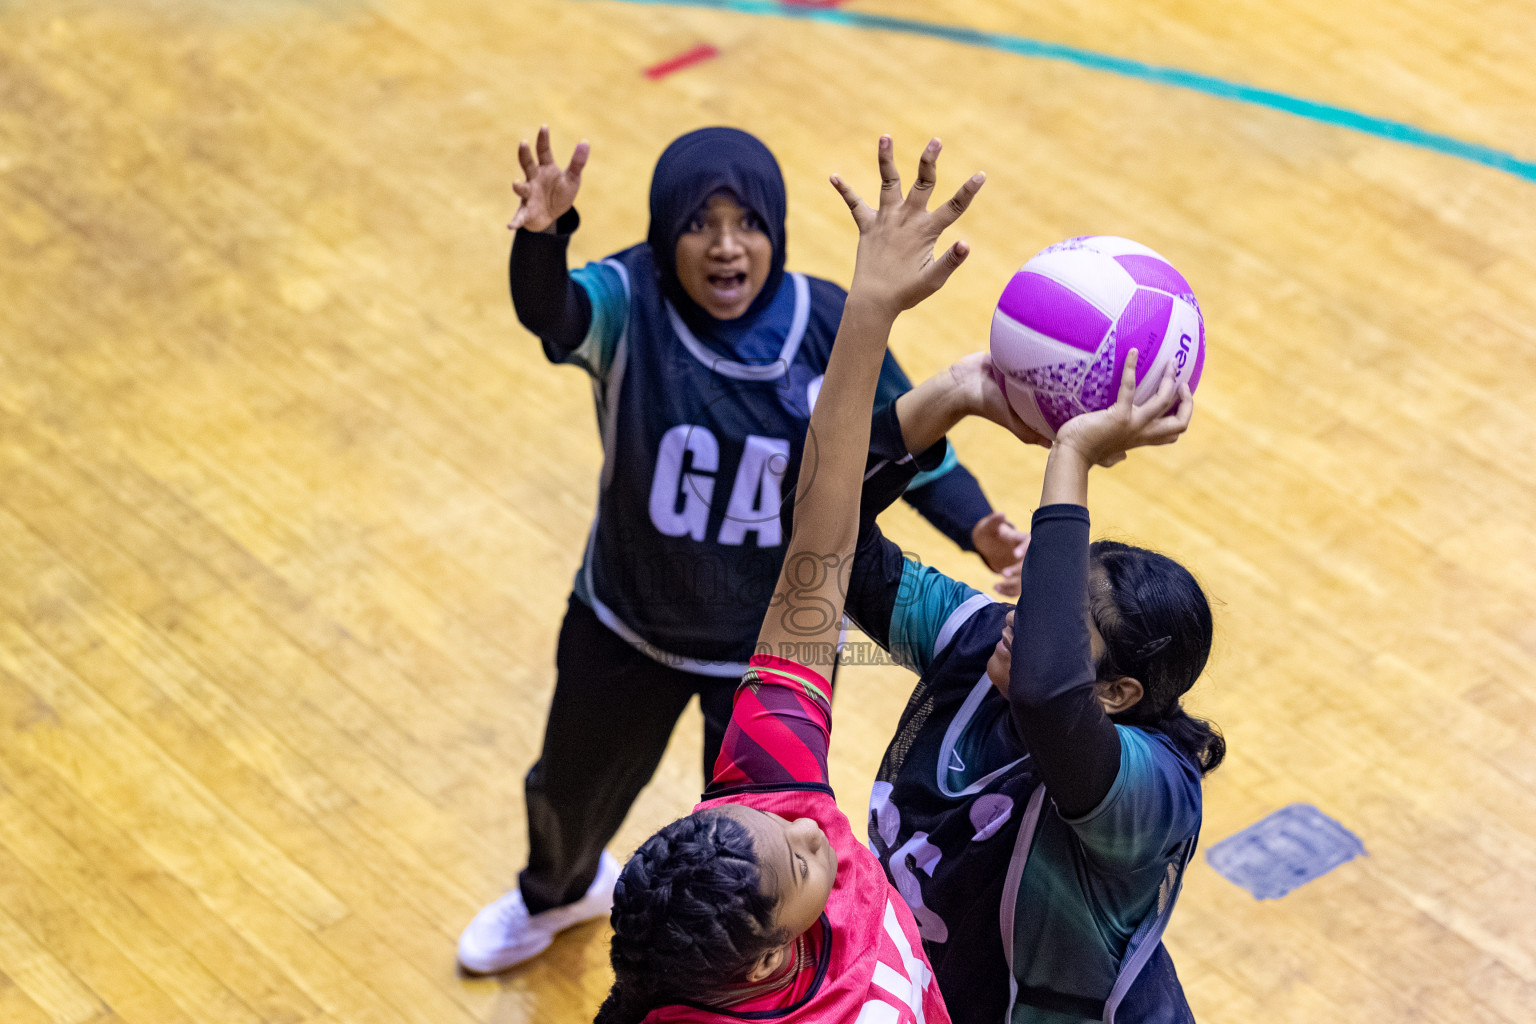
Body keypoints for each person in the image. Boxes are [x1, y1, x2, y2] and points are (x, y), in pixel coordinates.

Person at [457, 124, 1025, 973]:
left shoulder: (830, 319)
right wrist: (544, 236)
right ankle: (557, 892)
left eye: (746, 223)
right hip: (624, 623)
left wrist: (978, 526)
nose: (726, 246)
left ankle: (753, 971)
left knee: (750, 850)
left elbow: (899, 445)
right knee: (566, 791)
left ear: (775, 232)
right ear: (664, 234)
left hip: (769, 658)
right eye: (699, 224)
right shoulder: (629, 299)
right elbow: (552, 311)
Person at [593, 134, 980, 1024]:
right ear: (766, 960)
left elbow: (820, 539)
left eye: (782, 827)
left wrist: (870, 312)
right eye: (803, 861)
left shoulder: (767, 786)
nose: (821, 830)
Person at [844, 349, 1218, 1023]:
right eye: (1037, 600)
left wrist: (1070, 456)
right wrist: (949, 396)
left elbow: (1049, 694)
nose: (1023, 622)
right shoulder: (982, 638)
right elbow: (824, 535)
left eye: (1059, 623)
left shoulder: (1155, 796)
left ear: (1116, 694)